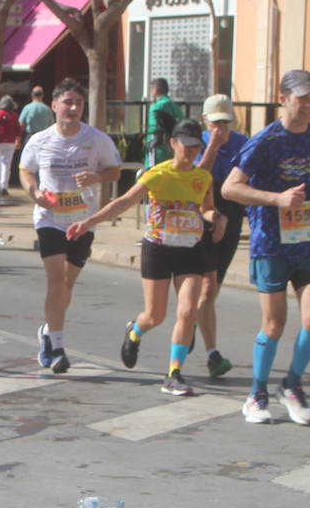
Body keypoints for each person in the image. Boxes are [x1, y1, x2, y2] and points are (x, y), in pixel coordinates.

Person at [71, 120, 222, 395]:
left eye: (195, 147)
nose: (190, 152)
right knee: (155, 315)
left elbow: (207, 208)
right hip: (159, 250)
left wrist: (217, 218)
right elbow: (124, 202)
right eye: (185, 146)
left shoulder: (203, 178)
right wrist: (88, 222)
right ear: (173, 144)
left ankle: (174, 373)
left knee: (188, 311)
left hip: (191, 249)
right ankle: (134, 331)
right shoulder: (156, 175)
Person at [222, 69, 310, 425]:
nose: (309, 105)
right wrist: (276, 198)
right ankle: (256, 393)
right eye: (302, 98)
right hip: (271, 242)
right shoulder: (264, 141)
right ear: (283, 97)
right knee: (274, 323)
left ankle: (292, 384)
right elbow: (230, 188)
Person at [18, 78, 122, 373]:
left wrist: (96, 178)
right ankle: (58, 347)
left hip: (82, 220)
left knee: (67, 285)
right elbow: (26, 171)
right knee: (55, 280)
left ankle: (48, 331)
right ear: (54, 105)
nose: (74, 108)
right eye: (68, 102)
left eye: (78, 103)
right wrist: (35, 193)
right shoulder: (40, 140)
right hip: (49, 219)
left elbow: (114, 170)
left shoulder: (97, 139)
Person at [194, 94, 247, 378]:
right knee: (205, 287)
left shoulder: (242, 144)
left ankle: (193, 320)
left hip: (232, 218)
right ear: (206, 121)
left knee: (211, 291)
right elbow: (196, 180)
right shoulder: (197, 143)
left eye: (225, 123)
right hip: (201, 216)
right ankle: (213, 355)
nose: (221, 129)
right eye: (215, 123)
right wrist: (212, 147)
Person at [146, 78, 183, 168]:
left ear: (155, 90)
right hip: (173, 146)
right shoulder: (176, 106)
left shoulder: (156, 107)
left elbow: (153, 130)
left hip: (158, 148)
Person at [0, 96, 22, 197]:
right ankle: (4, 186)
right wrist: (18, 139)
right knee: (6, 164)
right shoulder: (14, 115)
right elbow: (18, 129)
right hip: (10, 142)